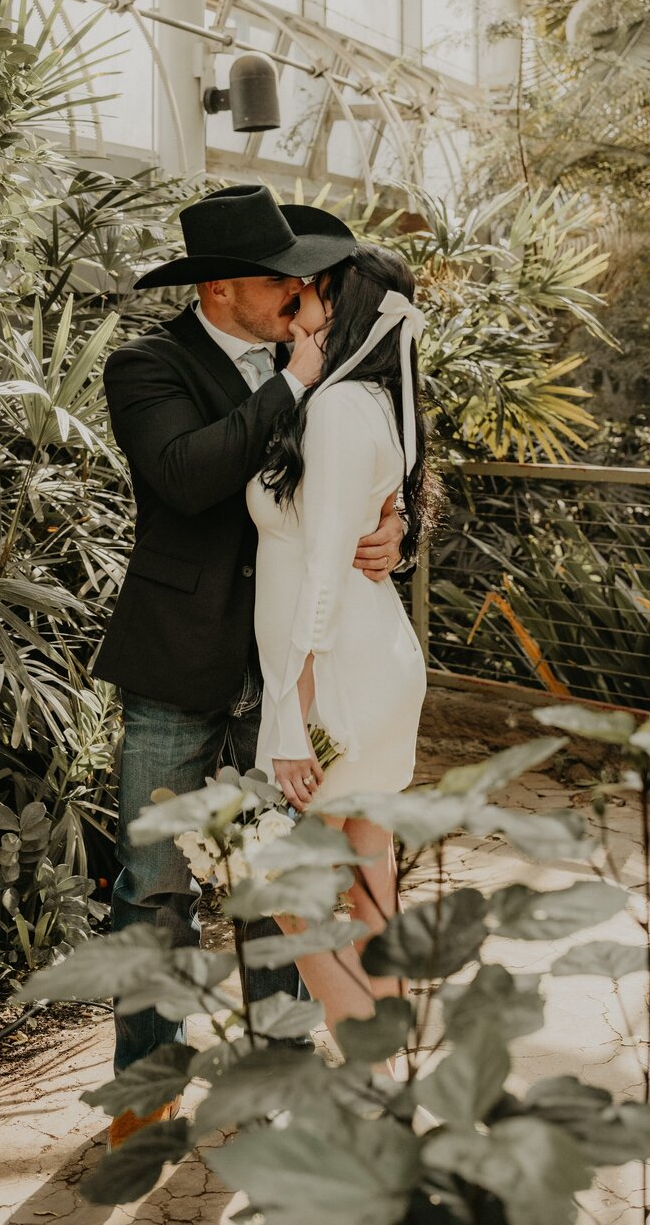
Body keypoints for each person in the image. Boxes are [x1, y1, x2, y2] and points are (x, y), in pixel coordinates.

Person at [97, 185, 406, 1147]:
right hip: (177, 668)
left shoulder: (317, 360)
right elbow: (187, 476)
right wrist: (293, 385)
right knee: (154, 883)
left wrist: (395, 531)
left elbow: (359, 481)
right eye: (281, 279)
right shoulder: (146, 365)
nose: (299, 290)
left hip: (287, 672)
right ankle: (149, 1080)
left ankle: (278, 1064)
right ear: (224, 286)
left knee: (282, 881)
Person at [250, 244, 436, 1046]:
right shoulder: (381, 404)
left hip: (335, 675)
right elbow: (376, 514)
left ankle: (366, 1050)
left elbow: (322, 570)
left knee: (271, 876)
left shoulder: (333, 410)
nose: (303, 304)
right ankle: (385, 1067)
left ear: (347, 310)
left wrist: (290, 721)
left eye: (317, 294)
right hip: (380, 658)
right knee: (372, 870)